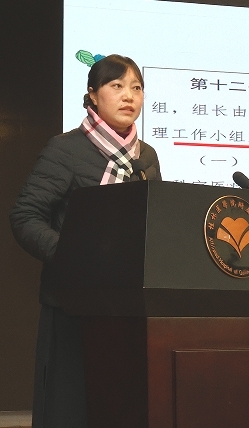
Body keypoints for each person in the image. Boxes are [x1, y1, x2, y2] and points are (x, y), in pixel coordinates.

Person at [9, 54, 161, 428]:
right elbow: (25, 216)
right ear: (92, 94)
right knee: (72, 410)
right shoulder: (66, 149)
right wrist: (72, 255)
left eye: (136, 87)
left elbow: (154, 225)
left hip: (129, 308)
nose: (129, 96)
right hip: (73, 304)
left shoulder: (146, 158)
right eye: (117, 86)